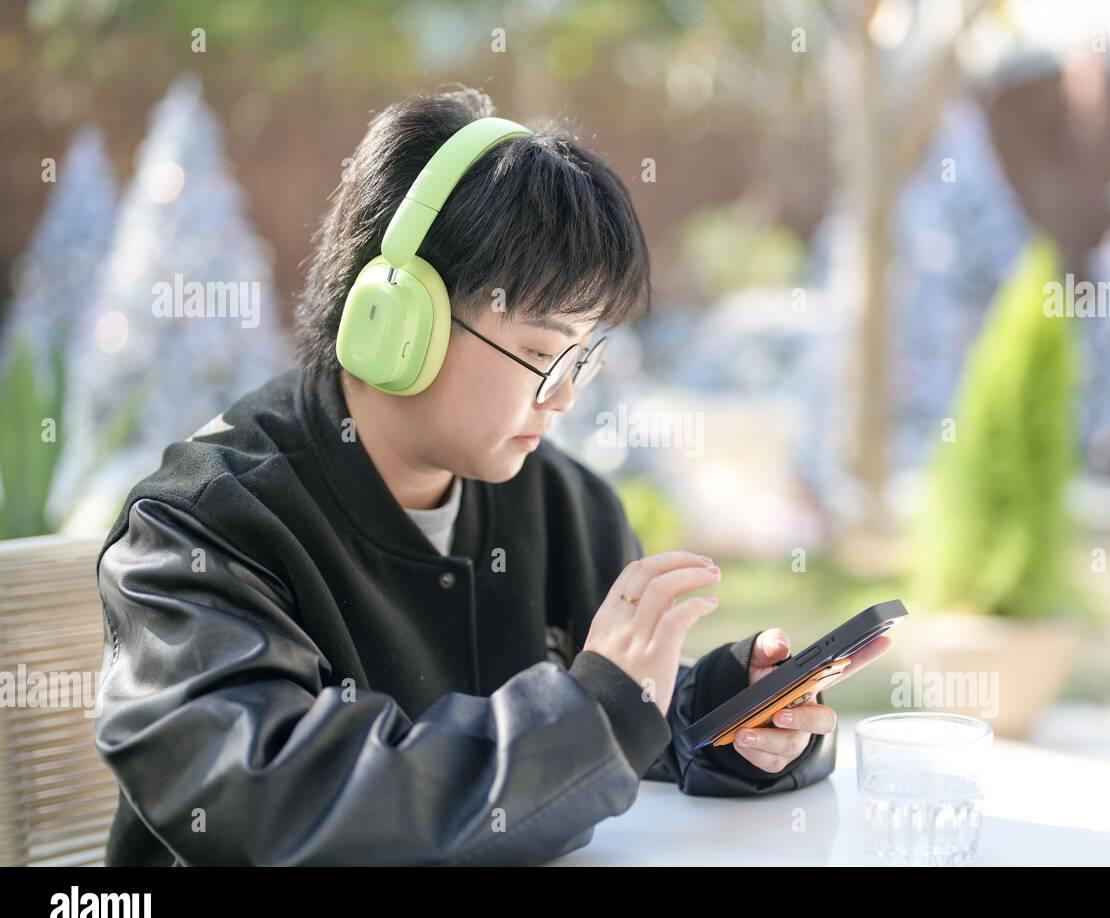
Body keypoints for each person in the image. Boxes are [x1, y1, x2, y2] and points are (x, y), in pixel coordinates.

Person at [92, 85, 892, 866]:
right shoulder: (198, 531)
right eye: (542, 355)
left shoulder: (562, 505)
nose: (566, 396)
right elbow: (268, 799)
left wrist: (726, 724)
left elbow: (599, 713)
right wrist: (592, 718)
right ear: (396, 320)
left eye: (581, 358)